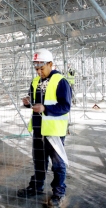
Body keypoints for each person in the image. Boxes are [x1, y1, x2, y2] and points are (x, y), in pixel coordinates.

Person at [18, 48, 72, 207]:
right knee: (39, 161)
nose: (39, 71)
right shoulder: (35, 82)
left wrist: (45, 109)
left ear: (50, 64)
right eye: (36, 68)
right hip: (38, 129)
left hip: (54, 131)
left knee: (57, 165)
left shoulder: (60, 81)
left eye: (41, 68)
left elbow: (65, 106)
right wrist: (28, 103)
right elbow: (35, 104)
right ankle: (37, 186)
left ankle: (58, 192)